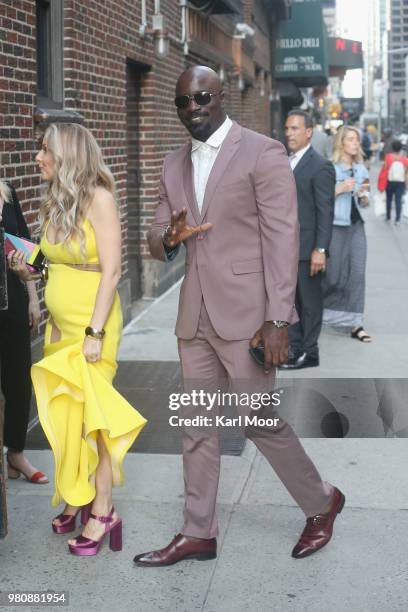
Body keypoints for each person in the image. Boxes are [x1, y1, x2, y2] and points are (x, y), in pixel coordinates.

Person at [133, 66, 345, 567]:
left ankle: (321, 502)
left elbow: (281, 236)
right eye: (183, 102)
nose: (193, 108)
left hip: (250, 316)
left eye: (202, 97)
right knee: (198, 424)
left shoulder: (261, 151)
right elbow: (156, 233)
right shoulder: (172, 163)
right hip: (196, 316)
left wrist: (278, 318)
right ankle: (198, 531)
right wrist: (169, 237)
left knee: (255, 419)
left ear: (221, 95)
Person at [8, 123, 146, 556]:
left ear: (68, 155)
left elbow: (112, 271)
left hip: (93, 327)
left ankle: (104, 511)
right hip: (59, 327)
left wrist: (94, 333)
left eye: (45, 150)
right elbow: (51, 265)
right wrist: (25, 267)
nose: (37, 158)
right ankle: (77, 495)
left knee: (95, 420)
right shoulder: (55, 203)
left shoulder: (100, 199)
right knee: (66, 415)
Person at [0, 179, 48, 484]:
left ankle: (15, 453)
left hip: (12, 304)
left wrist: (33, 299)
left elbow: (27, 249)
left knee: (18, 381)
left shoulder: (7, 192)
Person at [280, 110, 335, 370]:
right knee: (289, 304)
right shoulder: (285, 161)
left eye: (295, 128)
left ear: (309, 132)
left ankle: (310, 353)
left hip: (308, 249)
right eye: (287, 128)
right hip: (284, 249)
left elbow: (326, 211)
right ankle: (293, 349)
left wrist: (320, 249)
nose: (289, 133)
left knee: (309, 304)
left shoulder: (321, 166)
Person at [322, 126, 372, 342]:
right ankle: (318, 311)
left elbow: (368, 201)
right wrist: (340, 188)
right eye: (351, 139)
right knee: (333, 277)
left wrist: (363, 196)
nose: (355, 143)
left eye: (357, 140)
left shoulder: (362, 170)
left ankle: (355, 324)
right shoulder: (329, 168)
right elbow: (321, 198)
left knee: (357, 274)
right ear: (341, 143)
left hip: (356, 227)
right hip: (335, 226)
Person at [384, 140, 408, 225]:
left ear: (392, 147)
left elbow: (385, 169)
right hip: (400, 183)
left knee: (389, 200)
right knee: (398, 201)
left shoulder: (388, 157)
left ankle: (388, 217)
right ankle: (397, 220)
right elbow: (405, 174)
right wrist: (406, 186)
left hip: (390, 181)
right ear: (401, 148)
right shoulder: (405, 159)